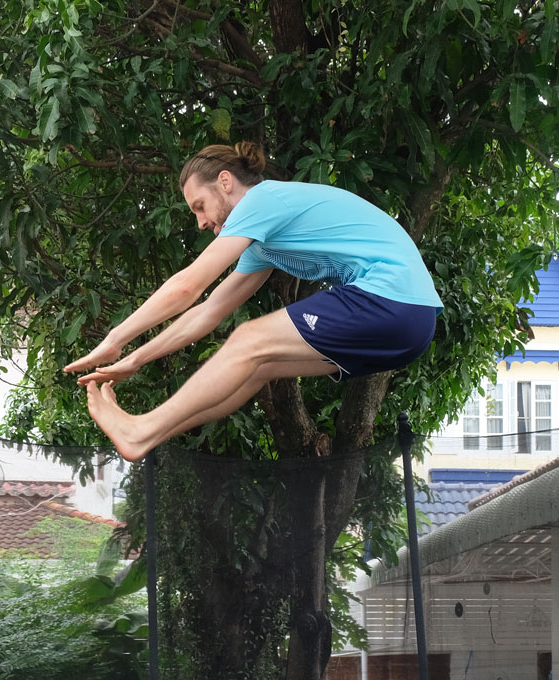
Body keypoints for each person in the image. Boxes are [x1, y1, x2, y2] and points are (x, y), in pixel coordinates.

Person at [65, 142, 442, 460]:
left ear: (225, 183)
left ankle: (141, 429)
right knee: (258, 366)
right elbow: (207, 312)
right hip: (411, 327)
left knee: (248, 338)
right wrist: (134, 359)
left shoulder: (263, 200)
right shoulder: (261, 244)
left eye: (199, 205)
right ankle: (146, 436)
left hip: (393, 298)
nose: (199, 222)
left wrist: (116, 338)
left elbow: (187, 287)